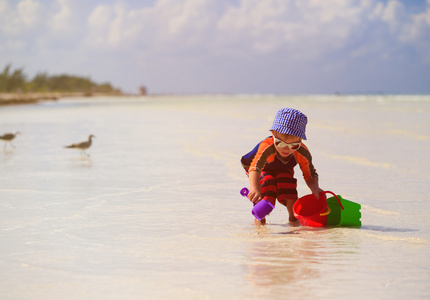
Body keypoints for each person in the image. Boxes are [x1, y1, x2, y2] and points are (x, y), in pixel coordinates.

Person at [241, 108, 323, 225]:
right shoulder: (267, 147)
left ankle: (293, 217)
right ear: (273, 134)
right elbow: (255, 168)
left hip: (284, 167)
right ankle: (260, 218)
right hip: (259, 168)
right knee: (268, 183)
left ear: (300, 141)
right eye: (281, 143)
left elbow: (310, 173)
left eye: (294, 145)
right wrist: (255, 189)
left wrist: (314, 188)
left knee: (287, 182)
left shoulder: (302, 151)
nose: (286, 149)